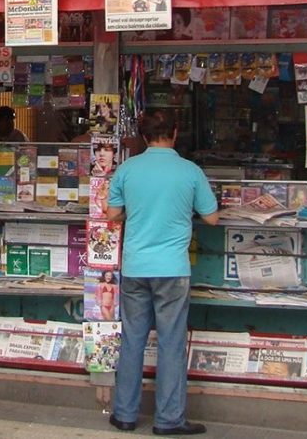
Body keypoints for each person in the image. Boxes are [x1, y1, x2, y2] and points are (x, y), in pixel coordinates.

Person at [106, 109, 218, 435]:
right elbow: (211, 218)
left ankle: (125, 415)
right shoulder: (190, 171)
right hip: (172, 269)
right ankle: (168, 420)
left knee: (132, 341)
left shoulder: (127, 169)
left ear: (143, 136)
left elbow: (113, 215)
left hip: (136, 267)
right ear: (175, 132)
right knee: (171, 344)